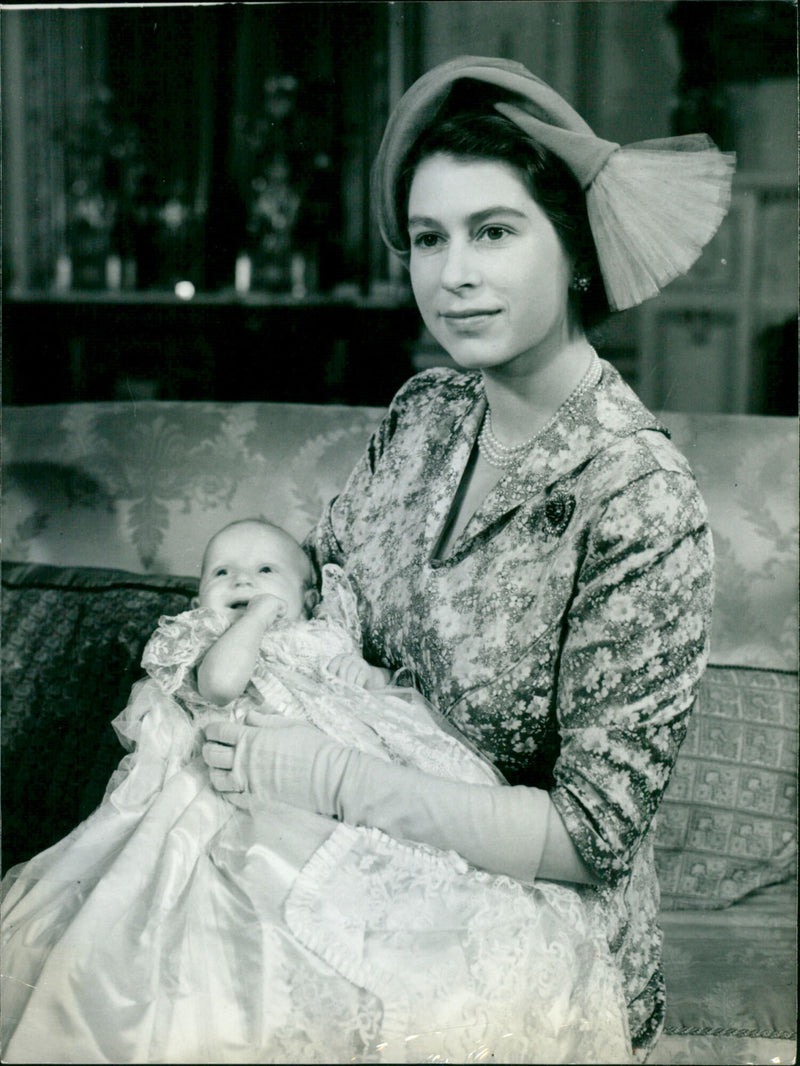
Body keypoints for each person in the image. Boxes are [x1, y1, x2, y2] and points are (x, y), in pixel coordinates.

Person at [199, 56, 733, 1061]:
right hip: (348, 851)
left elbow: (588, 838)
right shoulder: (423, 417)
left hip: (526, 924)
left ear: (573, 251)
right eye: (429, 239)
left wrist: (324, 772)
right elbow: (328, 621)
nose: (453, 275)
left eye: (493, 232)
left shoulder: (637, 497)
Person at [1, 518, 632, 1063]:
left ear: (309, 595)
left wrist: (371, 681)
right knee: (237, 906)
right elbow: (220, 686)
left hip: (328, 775)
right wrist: (258, 619)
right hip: (235, 789)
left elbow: (369, 688)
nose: (241, 582)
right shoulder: (203, 641)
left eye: (265, 569)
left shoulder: (323, 638)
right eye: (221, 572)